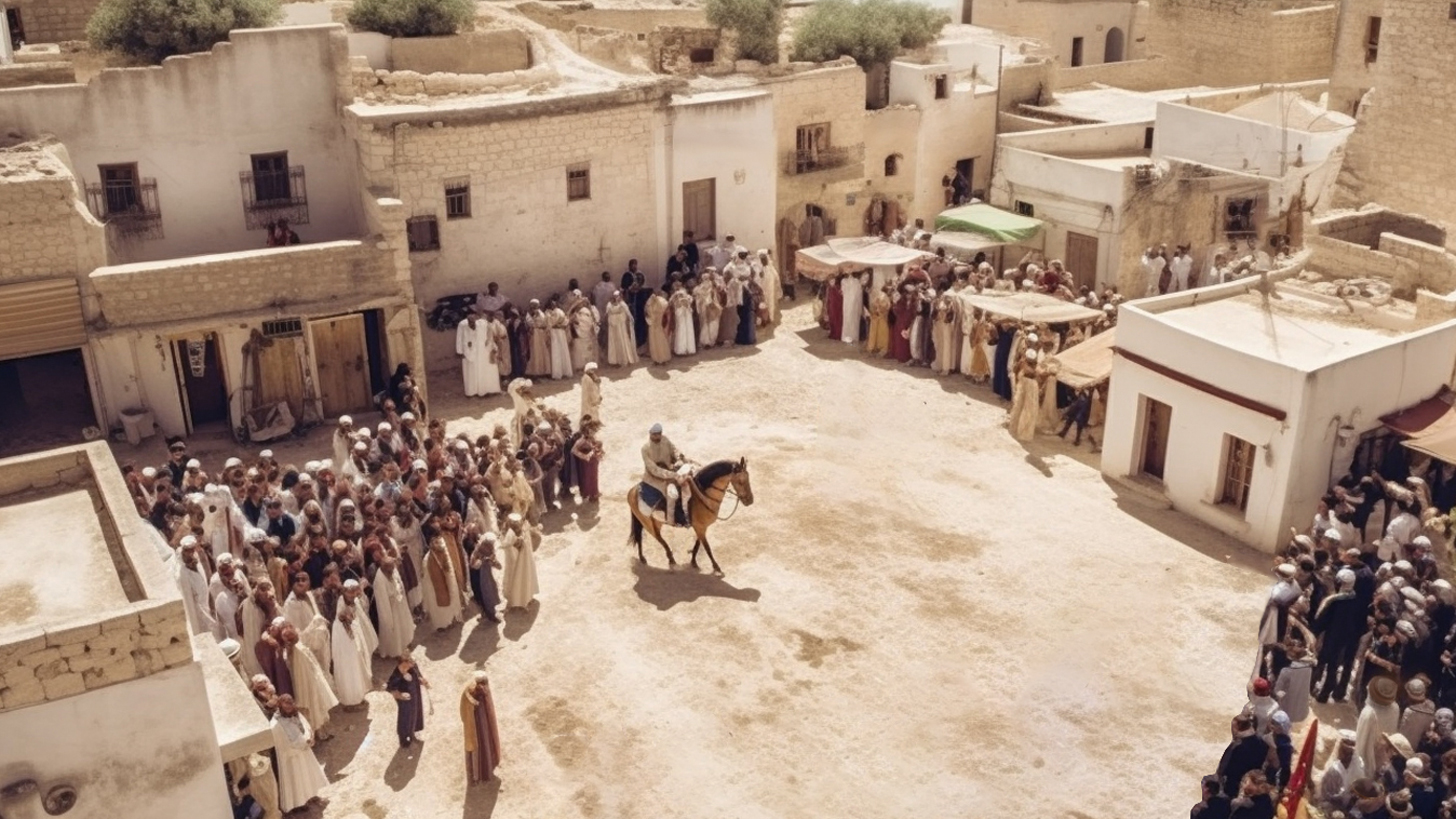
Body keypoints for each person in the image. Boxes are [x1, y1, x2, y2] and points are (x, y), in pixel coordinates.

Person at [270, 695, 327, 812]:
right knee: (297, 778)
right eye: (286, 707)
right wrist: (300, 746)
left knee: (308, 774)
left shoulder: (295, 713)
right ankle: (300, 803)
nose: (289, 709)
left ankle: (312, 796)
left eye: (291, 705)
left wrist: (310, 737)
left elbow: (305, 724)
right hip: (292, 757)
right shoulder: (275, 724)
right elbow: (282, 745)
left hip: (304, 751)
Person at [641, 422, 690, 526]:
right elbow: (654, 470)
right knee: (672, 494)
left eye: (659, 434)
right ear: (650, 434)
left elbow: (674, 450)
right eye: (655, 434)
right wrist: (673, 475)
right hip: (655, 478)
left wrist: (679, 457)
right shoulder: (645, 449)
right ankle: (671, 521)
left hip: (671, 470)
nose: (657, 436)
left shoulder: (665, 440)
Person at [461, 670, 503, 784]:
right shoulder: (476, 694)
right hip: (477, 727)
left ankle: (479, 773)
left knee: (484, 744)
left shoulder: (477, 693)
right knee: (480, 747)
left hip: (480, 725)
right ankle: (478, 775)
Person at [330, 607, 373, 707]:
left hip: (353, 656)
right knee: (347, 678)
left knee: (356, 676)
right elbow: (336, 644)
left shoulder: (352, 624)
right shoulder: (337, 626)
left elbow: (356, 640)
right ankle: (349, 701)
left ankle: (358, 697)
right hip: (344, 658)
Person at [385, 652, 428, 748]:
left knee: (415, 716)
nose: (412, 664)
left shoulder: (413, 667)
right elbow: (390, 687)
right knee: (405, 718)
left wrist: (421, 680)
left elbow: (417, 675)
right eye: (409, 662)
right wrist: (399, 695)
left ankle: (412, 734)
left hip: (414, 696)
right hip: (405, 701)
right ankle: (404, 741)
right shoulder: (397, 673)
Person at [500, 513, 540, 611]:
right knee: (517, 580)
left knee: (523, 579)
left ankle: (525, 598)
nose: (518, 527)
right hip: (515, 562)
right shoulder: (510, 535)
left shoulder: (519, 532)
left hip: (523, 562)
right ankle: (518, 601)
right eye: (516, 525)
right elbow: (513, 545)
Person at [423, 536, 464, 631]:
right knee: (437, 602)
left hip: (448, 583)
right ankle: (442, 623)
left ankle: (450, 619)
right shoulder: (427, 559)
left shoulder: (443, 551)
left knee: (450, 597)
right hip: (434, 587)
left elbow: (449, 569)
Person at [605, 291, 638, 366]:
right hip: (613, 327)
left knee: (622, 340)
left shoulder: (623, 304)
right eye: (615, 296)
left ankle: (625, 359)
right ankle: (614, 360)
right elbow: (607, 314)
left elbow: (628, 314)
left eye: (617, 296)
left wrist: (629, 321)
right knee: (614, 341)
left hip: (621, 326)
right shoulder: (609, 304)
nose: (616, 298)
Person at [645, 287, 672, 365]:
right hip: (655, 324)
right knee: (656, 341)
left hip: (657, 323)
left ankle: (661, 358)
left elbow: (665, 311)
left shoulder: (659, 301)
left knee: (658, 341)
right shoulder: (656, 301)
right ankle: (658, 358)